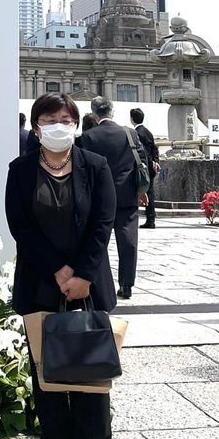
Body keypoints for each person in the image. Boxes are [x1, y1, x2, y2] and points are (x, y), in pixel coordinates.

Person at [6, 92, 117, 439]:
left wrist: (83, 274)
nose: (59, 125)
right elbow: (21, 226)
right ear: (36, 127)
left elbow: (103, 222)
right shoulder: (20, 169)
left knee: (90, 375)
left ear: (76, 124)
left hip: (89, 287)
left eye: (66, 119)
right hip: (40, 282)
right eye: (50, 119)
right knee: (46, 375)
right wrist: (58, 270)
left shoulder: (95, 166)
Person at [77, 95, 147, 299]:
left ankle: (99, 283)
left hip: (98, 198)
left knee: (98, 241)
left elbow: (82, 170)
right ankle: (126, 285)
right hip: (127, 194)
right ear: (112, 112)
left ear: (94, 114)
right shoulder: (130, 133)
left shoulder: (88, 137)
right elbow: (142, 160)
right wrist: (142, 190)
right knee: (128, 241)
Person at [131, 108, 160, 229]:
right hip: (151, 167)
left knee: (139, 193)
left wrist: (149, 161)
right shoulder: (148, 132)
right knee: (150, 193)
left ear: (132, 119)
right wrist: (155, 161)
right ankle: (151, 219)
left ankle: (146, 219)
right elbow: (154, 149)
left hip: (142, 167)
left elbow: (141, 151)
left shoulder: (136, 133)